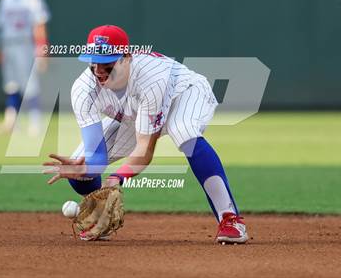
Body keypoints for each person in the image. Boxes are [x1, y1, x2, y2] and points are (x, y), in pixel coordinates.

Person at [43, 25, 248, 244]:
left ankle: (231, 219)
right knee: (82, 173)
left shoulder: (151, 78)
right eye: (94, 62)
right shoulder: (83, 90)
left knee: (184, 132)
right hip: (134, 113)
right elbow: (97, 155)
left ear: (126, 58)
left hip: (185, 93)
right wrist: (87, 168)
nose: (99, 70)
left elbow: (145, 150)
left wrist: (117, 178)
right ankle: (99, 217)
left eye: (107, 63)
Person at [0, 0, 50, 136]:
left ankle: (35, 123)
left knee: (30, 85)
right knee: (11, 84)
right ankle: (11, 122)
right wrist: (0, 49)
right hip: (9, 45)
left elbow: (40, 25)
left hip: (25, 45)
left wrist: (42, 49)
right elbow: (2, 28)